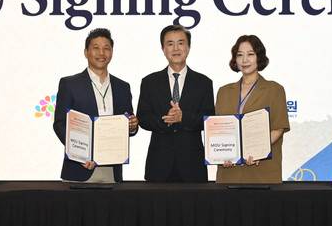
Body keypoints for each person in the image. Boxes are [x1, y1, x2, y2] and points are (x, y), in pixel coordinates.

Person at [52, 28, 138, 183]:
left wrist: (132, 126)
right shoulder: (70, 84)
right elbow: (60, 124)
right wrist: (79, 155)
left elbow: (128, 123)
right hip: (80, 169)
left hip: (112, 170)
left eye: (106, 48)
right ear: (86, 52)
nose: (101, 53)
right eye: (96, 48)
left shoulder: (123, 87)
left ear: (112, 52)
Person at [137, 24, 215, 182]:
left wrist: (183, 117)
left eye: (181, 43)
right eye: (170, 44)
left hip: (192, 165)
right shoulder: (149, 82)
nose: (176, 48)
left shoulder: (203, 83)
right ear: (163, 49)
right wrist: (165, 120)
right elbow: (143, 118)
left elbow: (209, 120)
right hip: (158, 165)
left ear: (189, 47)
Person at [215, 35, 290, 184]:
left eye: (250, 54)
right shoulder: (223, 91)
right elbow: (219, 131)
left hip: (261, 170)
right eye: (239, 55)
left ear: (259, 57)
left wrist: (256, 151)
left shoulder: (274, 89)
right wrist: (222, 154)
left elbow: (278, 128)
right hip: (230, 172)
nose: (244, 60)